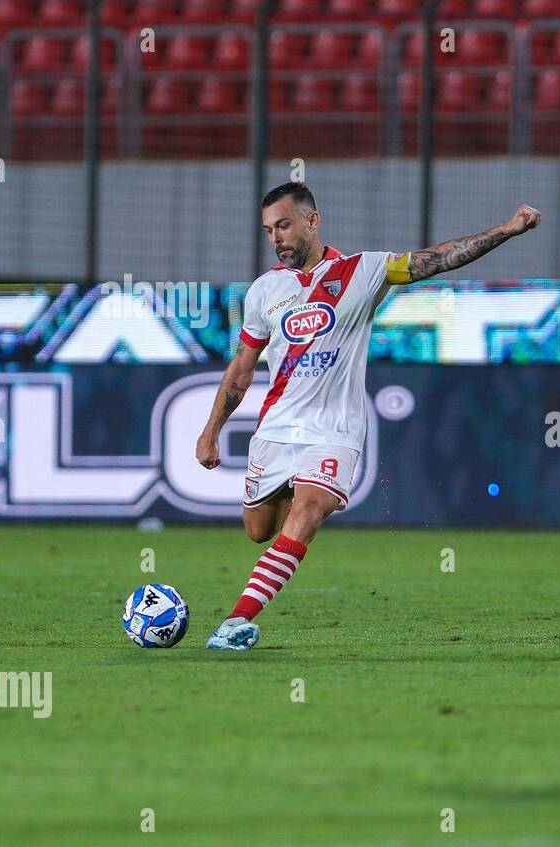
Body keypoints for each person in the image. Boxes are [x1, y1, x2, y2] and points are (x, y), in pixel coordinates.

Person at [195, 182, 540, 650]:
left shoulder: (364, 270)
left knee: (311, 508)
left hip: (334, 432)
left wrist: (506, 229)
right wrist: (211, 430)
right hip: (276, 430)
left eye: (284, 225)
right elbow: (242, 366)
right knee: (259, 530)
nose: (276, 238)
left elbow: (438, 258)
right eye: (269, 230)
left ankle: (236, 621)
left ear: (313, 221)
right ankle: (270, 549)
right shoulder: (264, 292)